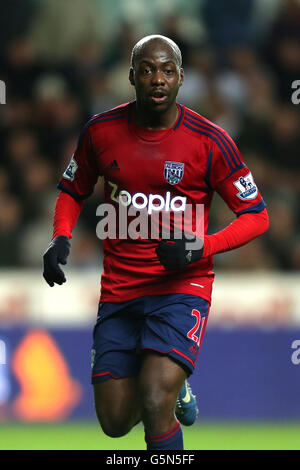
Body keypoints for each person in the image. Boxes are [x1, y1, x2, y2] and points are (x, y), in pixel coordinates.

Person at [43, 35, 269, 450]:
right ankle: (175, 391)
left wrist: (202, 247)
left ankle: (168, 394)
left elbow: (257, 216)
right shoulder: (101, 131)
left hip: (181, 289)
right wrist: (60, 237)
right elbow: (72, 189)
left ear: (182, 78)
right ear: (132, 77)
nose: (157, 79)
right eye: (147, 70)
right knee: (114, 422)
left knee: (153, 397)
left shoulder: (210, 141)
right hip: (120, 291)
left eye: (167, 70)